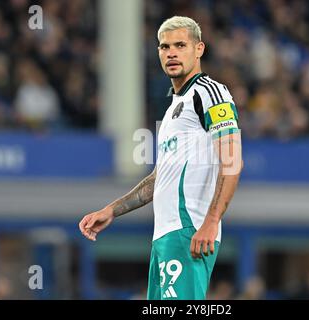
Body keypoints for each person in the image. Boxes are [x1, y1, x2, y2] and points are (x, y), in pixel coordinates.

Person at [79, 16, 242, 300]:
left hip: (189, 230)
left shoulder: (210, 92)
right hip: (165, 235)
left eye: (180, 45)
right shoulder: (171, 111)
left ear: (199, 48)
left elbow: (232, 159)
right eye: (165, 47)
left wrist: (211, 220)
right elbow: (159, 178)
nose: (172, 53)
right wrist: (111, 210)